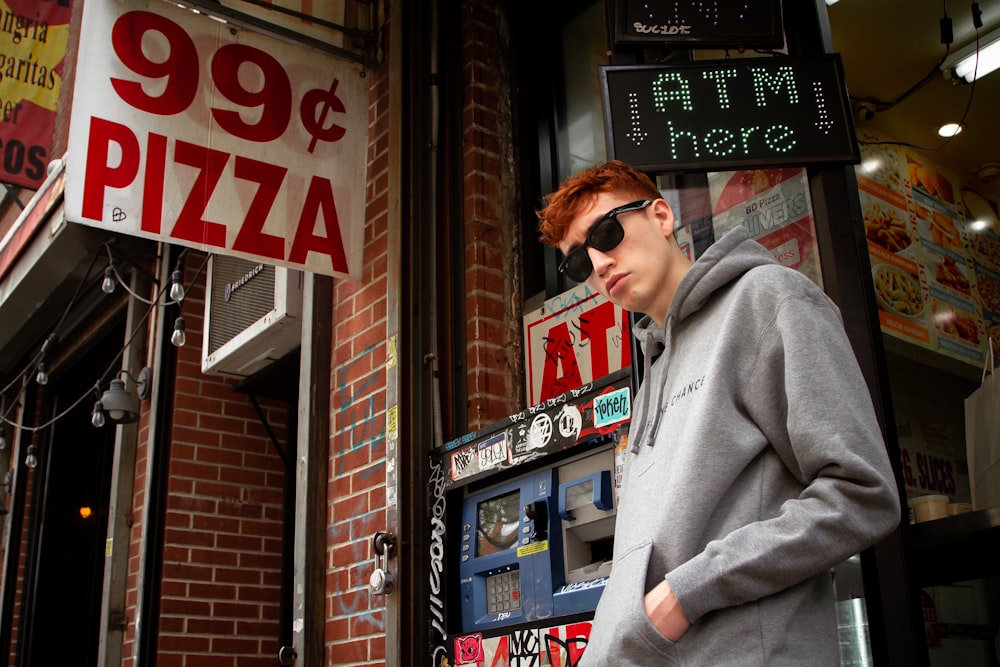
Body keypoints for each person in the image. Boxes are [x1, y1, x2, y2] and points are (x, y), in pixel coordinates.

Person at [536, 160, 900, 666]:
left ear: (661, 216)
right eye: (578, 261)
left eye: (607, 231)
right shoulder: (653, 369)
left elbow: (862, 494)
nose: (598, 263)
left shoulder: (768, 300)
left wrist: (684, 596)